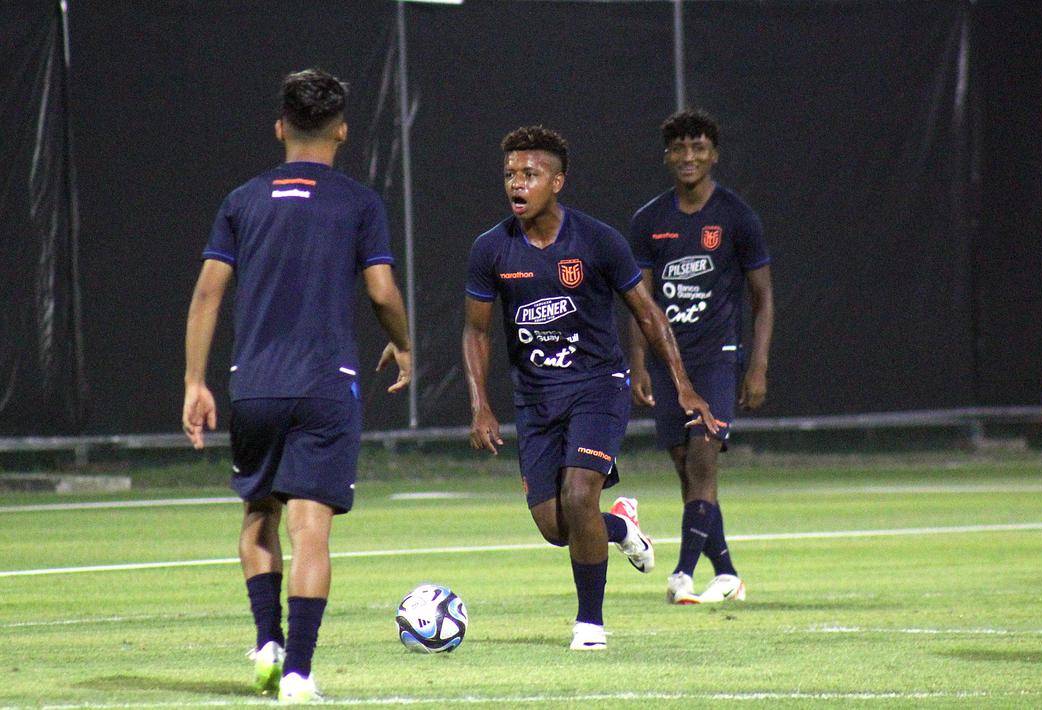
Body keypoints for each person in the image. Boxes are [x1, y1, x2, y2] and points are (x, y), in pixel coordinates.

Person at [182, 69, 412, 703]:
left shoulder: (242, 200)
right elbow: (381, 291)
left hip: (253, 385)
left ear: (281, 126)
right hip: (324, 385)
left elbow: (208, 291)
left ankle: (266, 643)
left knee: (259, 516)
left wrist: (194, 381)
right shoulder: (359, 203)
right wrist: (406, 341)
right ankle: (299, 674)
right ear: (341, 130)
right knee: (311, 530)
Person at [463, 125, 718, 650]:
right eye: (510, 174)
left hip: (597, 387)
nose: (517, 184)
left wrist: (685, 387)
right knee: (557, 526)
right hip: (535, 401)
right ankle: (620, 527)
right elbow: (476, 330)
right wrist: (481, 405)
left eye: (529, 175)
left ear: (557, 181)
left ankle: (590, 625)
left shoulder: (598, 240)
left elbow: (649, 314)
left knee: (580, 494)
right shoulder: (490, 250)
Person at [626, 109, 773, 605]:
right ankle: (727, 572)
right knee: (688, 468)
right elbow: (639, 301)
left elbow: (763, 297)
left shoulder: (736, 216)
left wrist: (757, 365)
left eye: (699, 148)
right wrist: (639, 364)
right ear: (667, 157)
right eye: (679, 149)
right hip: (670, 363)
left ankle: (682, 575)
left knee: (705, 459)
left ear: (713, 154)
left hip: (716, 356)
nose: (689, 157)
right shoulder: (650, 220)